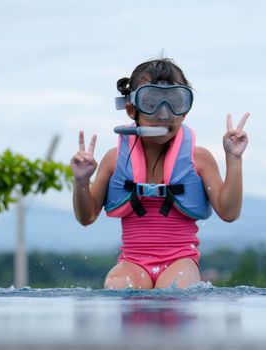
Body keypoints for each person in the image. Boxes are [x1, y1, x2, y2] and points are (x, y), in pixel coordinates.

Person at [70, 58, 249, 290]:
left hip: (180, 262)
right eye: (152, 102)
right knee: (119, 285)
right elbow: (87, 217)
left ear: (184, 112)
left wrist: (234, 158)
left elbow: (229, 212)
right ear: (132, 109)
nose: (165, 113)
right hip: (132, 262)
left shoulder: (199, 159)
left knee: (176, 289)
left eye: (175, 101)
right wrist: (81, 180)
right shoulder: (114, 160)